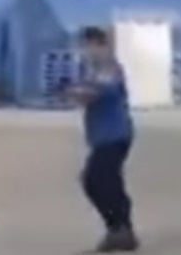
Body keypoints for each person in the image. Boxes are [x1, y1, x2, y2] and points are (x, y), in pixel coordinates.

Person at [68, 26, 139, 252]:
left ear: (100, 46)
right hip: (102, 137)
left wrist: (77, 92)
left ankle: (120, 227)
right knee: (103, 181)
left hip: (115, 135)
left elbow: (91, 94)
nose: (85, 51)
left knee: (96, 180)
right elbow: (82, 93)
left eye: (88, 46)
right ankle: (120, 229)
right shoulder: (92, 70)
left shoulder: (109, 68)